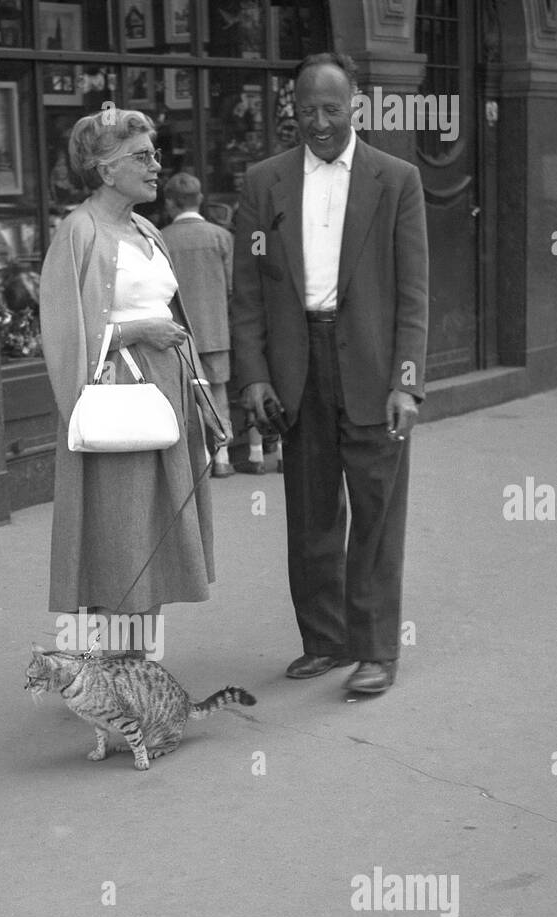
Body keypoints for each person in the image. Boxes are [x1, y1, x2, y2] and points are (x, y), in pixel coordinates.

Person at [231, 52, 429, 696]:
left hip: (372, 366)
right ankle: (326, 639)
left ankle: (376, 650)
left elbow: (414, 294)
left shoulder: (396, 180)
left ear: (356, 108)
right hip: (297, 367)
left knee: (374, 512)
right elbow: (248, 292)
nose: (318, 122)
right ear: (292, 109)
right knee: (310, 511)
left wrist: (407, 380)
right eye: (306, 109)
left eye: (331, 109)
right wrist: (254, 375)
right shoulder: (263, 185)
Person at [40, 109, 215, 655]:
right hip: (117, 399)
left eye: (156, 153)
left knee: (153, 538)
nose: (156, 165)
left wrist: (202, 394)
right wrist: (138, 330)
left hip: (166, 394)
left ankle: (133, 669)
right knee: (120, 542)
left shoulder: (145, 228)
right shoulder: (79, 231)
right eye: (142, 156)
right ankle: (117, 676)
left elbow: (176, 314)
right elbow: (65, 334)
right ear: (104, 168)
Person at [161, 172, 235, 476]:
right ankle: (223, 458)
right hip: (215, 329)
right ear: (200, 199)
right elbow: (232, 286)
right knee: (217, 391)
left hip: (176, 333)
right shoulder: (221, 237)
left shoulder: (161, 237)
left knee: (185, 394)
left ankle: (200, 458)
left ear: (169, 204)